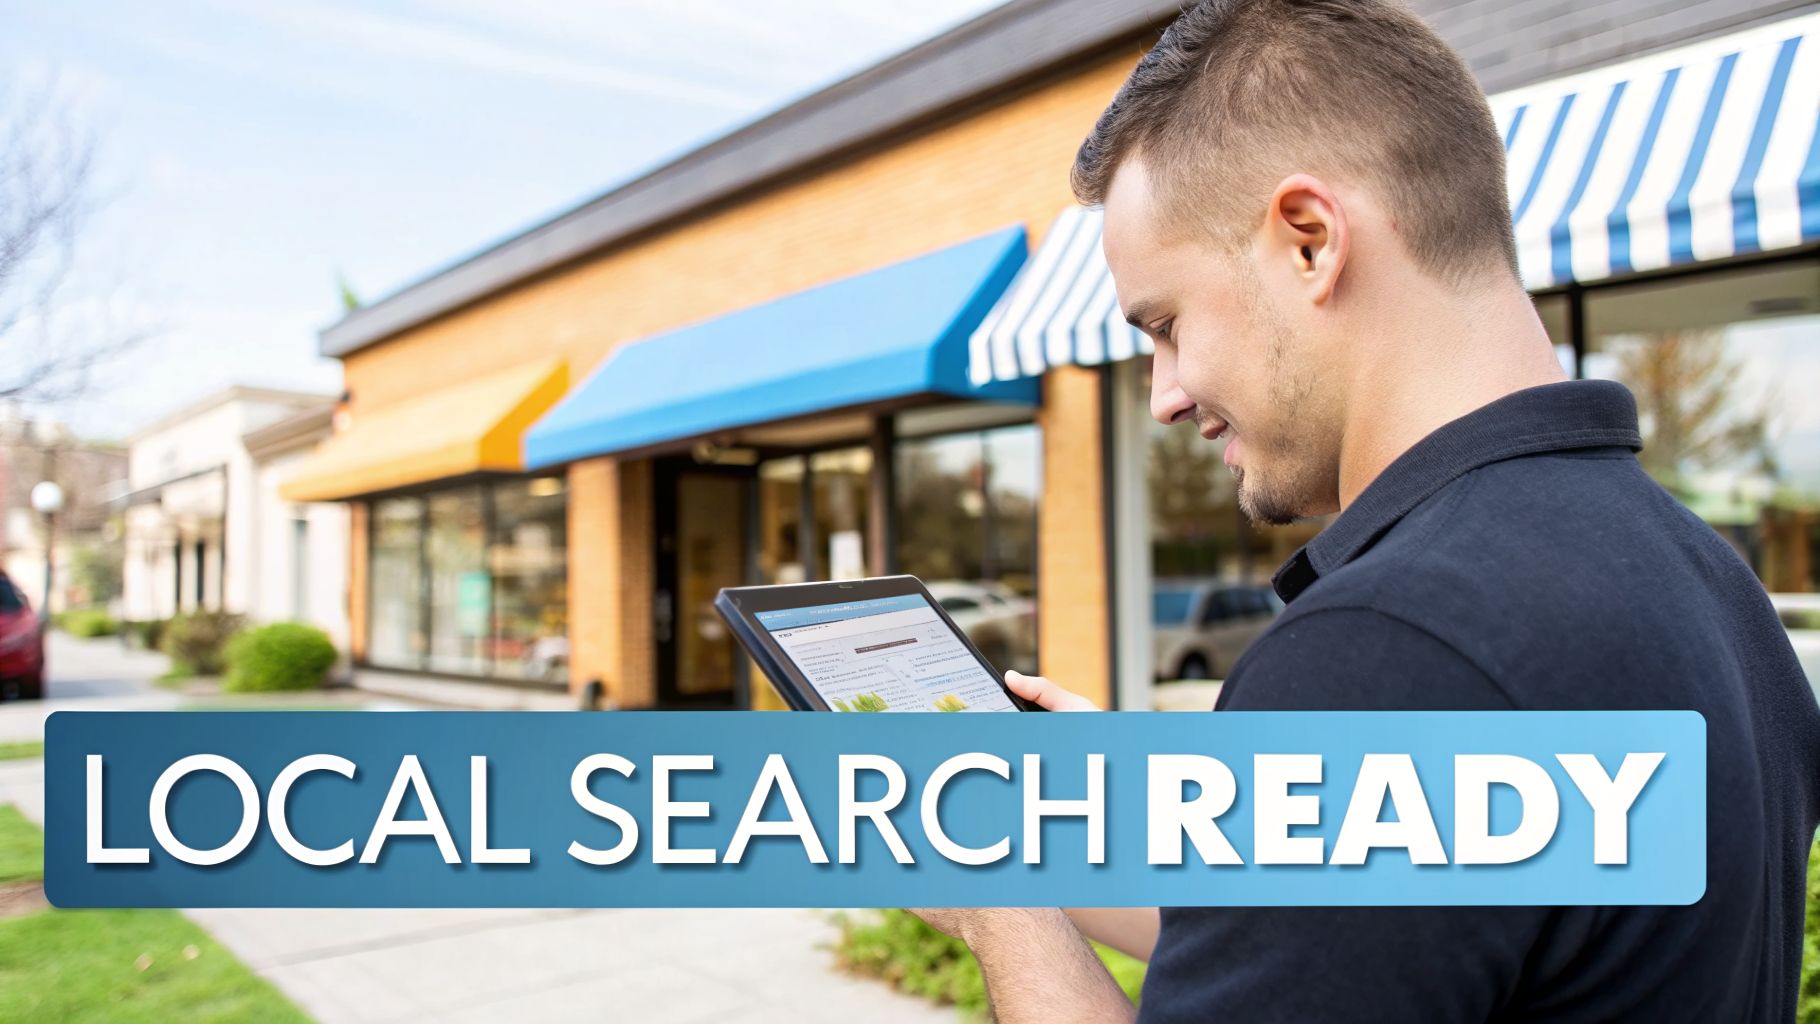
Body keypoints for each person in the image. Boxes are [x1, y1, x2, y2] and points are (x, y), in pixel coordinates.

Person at [911, 0, 1820, 1020]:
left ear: (1307, 241)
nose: (1163, 392)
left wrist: (996, 901)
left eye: (1165, 324)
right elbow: (1370, 945)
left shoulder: (1387, 653)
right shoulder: (1707, 582)